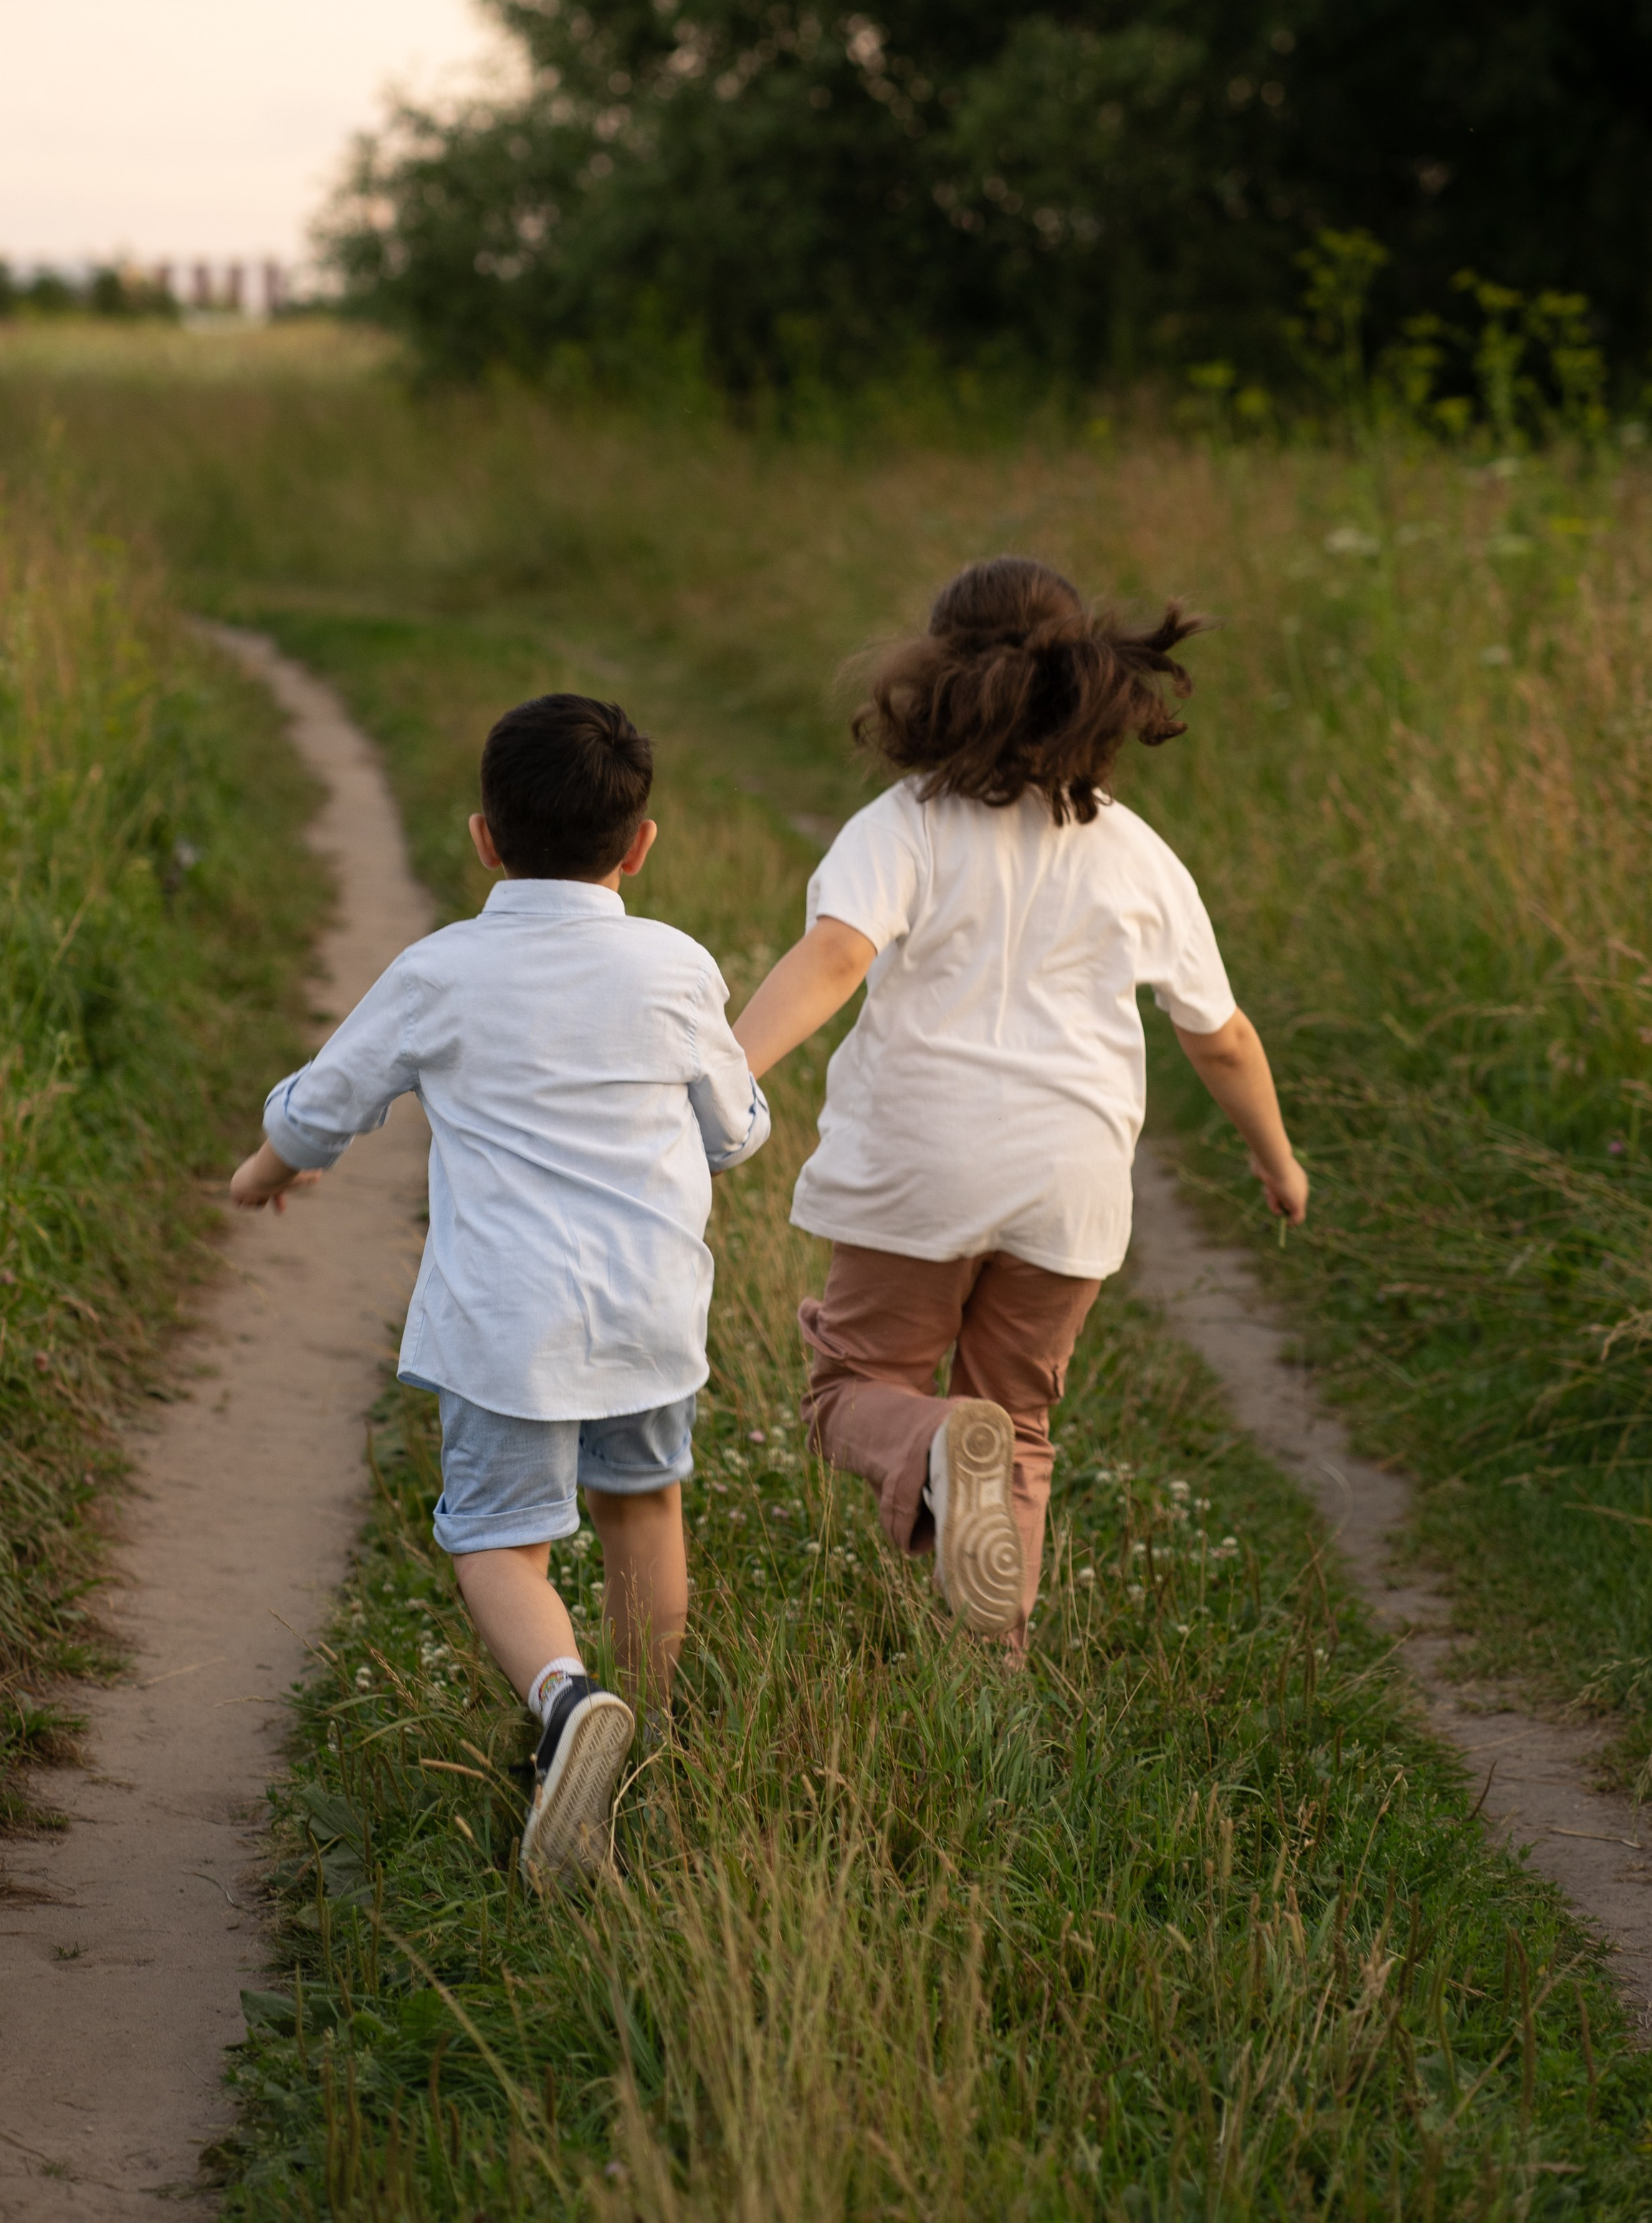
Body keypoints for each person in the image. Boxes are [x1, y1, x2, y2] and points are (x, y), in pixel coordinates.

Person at [230, 694, 768, 1885]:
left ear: (484, 838)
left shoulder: (441, 971)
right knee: (644, 1507)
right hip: (650, 1309)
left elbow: (323, 1107)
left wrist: (265, 1170)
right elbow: (734, 1133)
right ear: (640, 846)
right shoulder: (678, 965)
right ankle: (646, 1740)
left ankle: (567, 1704)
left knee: (497, 1542)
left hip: (505, 1322)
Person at [732, 557, 1306, 1654]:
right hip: (1070, 1184)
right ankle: (992, 1673)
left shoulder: (906, 825)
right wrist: (1278, 1163)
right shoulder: (1136, 854)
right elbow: (1221, 1037)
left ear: (933, 682)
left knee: (854, 1390)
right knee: (1021, 1424)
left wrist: (723, 1073)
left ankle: (939, 1447)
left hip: (920, 1166)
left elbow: (837, 957)